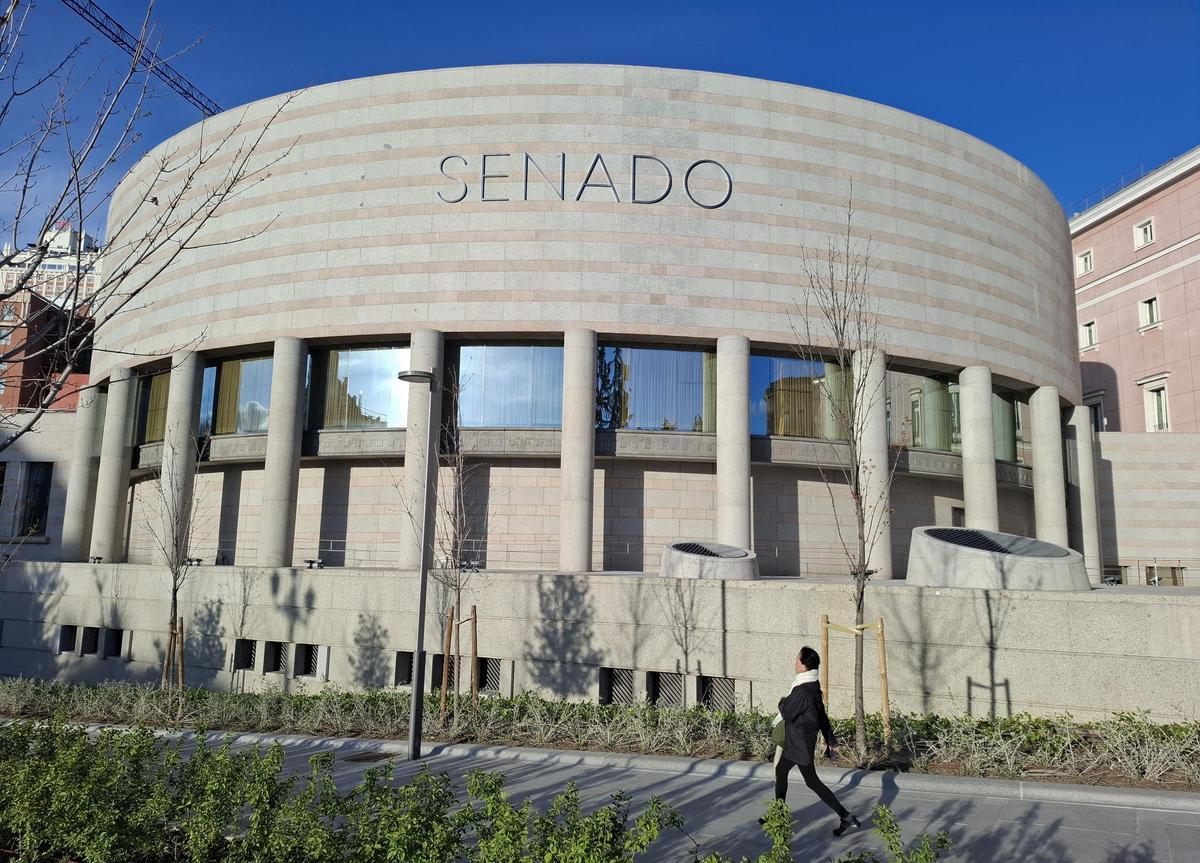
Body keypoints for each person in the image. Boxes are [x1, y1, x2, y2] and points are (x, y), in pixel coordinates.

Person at [768, 645, 859, 836]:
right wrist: (829, 737)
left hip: (799, 744)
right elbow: (822, 715)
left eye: (797, 659)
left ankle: (847, 818)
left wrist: (782, 701)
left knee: (812, 782)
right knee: (781, 770)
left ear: (803, 666)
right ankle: (778, 815)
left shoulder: (802, 690)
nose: (795, 662)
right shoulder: (813, 686)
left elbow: (788, 713)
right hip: (800, 741)